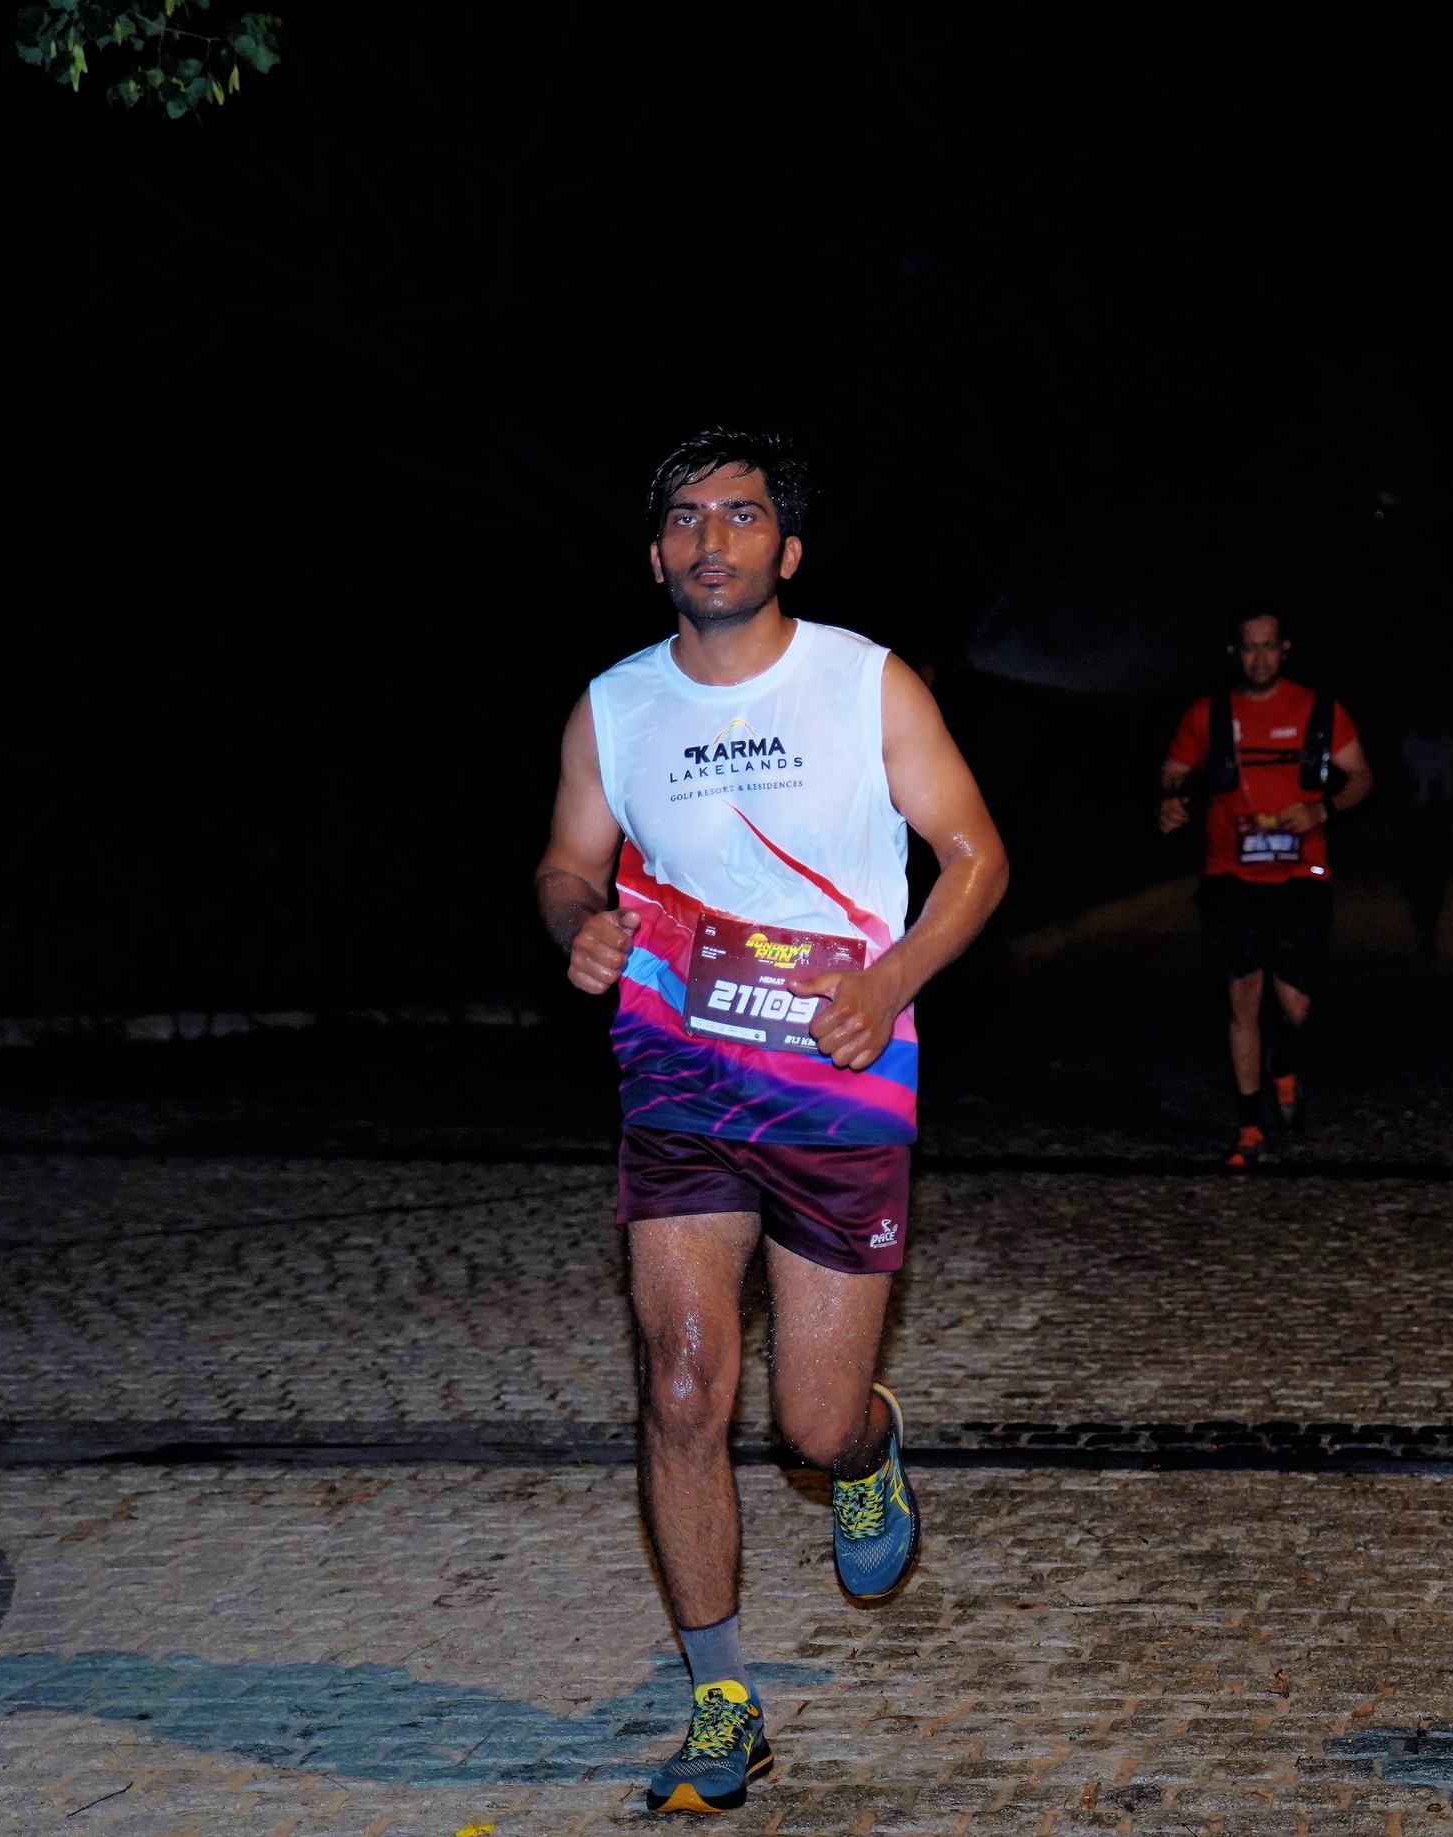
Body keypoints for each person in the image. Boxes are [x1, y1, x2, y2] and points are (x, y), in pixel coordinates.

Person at [534, 430, 1009, 1816]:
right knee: (682, 1384)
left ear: (786, 548)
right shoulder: (613, 708)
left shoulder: (864, 681)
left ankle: (866, 1447)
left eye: (741, 516)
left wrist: (891, 982)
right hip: (678, 1072)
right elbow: (565, 862)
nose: (712, 539)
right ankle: (722, 1704)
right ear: (656, 555)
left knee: (808, 1420)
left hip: (833, 1076)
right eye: (686, 519)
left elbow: (975, 856)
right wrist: (578, 925)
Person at [1157, 608, 1373, 1165]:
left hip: (1301, 877)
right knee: (1243, 997)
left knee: (1295, 1007)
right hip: (1230, 876)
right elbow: (1174, 770)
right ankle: (1249, 1126)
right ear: (1234, 653)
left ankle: (1285, 1066)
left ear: (1285, 649)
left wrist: (1322, 809)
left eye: (1269, 646)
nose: (1260, 658)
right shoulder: (1207, 715)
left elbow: (1361, 776)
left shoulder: (1318, 711)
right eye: (1249, 647)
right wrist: (1172, 799)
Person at [1395, 699, 1453, 956]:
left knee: (1433, 876)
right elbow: (1398, 780)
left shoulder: (1448, 747)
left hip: (1436, 817)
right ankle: (1422, 920)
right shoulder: (1407, 745)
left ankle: (1427, 927)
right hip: (1414, 817)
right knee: (1415, 875)